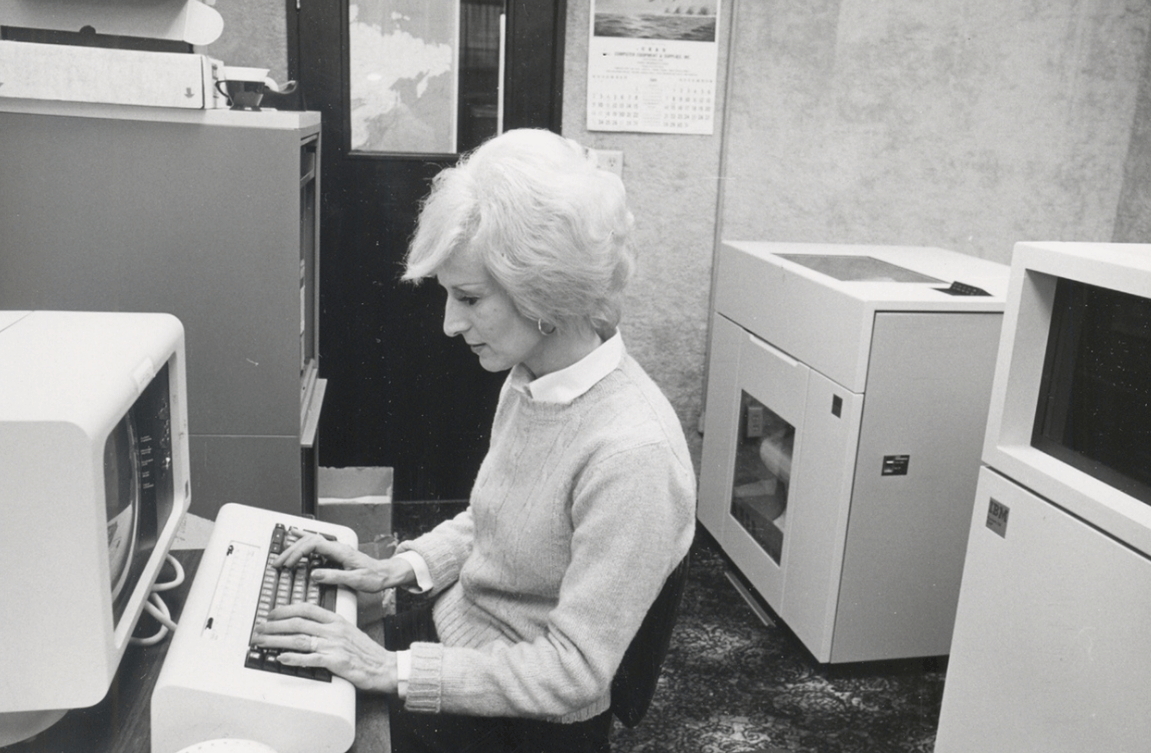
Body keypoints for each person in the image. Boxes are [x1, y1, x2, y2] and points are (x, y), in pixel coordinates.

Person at [253, 128, 696, 752]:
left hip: (526, 723)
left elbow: (574, 673)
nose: (449, 323)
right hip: (456, 640)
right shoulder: (532, 377)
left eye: (468, 298)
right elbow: (497, 518)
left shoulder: (634, 456)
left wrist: (388, 670)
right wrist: (396, 569)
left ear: (544, 291)